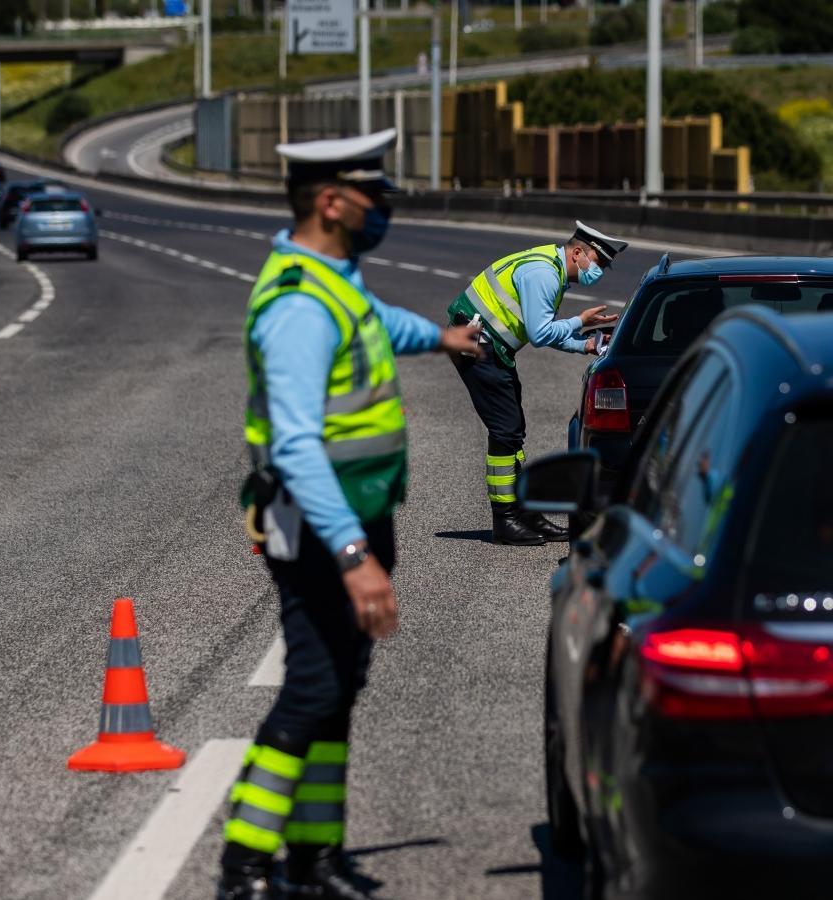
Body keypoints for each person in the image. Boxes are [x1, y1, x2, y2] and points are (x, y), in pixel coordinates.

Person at [217, 128, 480, 900]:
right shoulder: (298, 306)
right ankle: (244, 865)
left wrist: (440, 337)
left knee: (338, 690)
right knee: (313, 690)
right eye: (374, 196)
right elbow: (296, 447)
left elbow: (375, 323)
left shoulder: (335, 281)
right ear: (331, 202)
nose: (383, 208)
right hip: (322, 526)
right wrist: (355, 556)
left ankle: (315, 859)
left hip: (357, 517)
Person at [448, 222, 629, 546]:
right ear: (578, 252)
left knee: (513, 429)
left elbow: (545, 330)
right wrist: (580, 322)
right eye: (598, 262)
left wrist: (584, 344)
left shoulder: (551, 268)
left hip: (490, 347)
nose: (599, 271)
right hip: (477, 345)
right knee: (505, 431)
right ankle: (505, 520)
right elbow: (540, 333)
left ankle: (523, 512)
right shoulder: (543, 274)